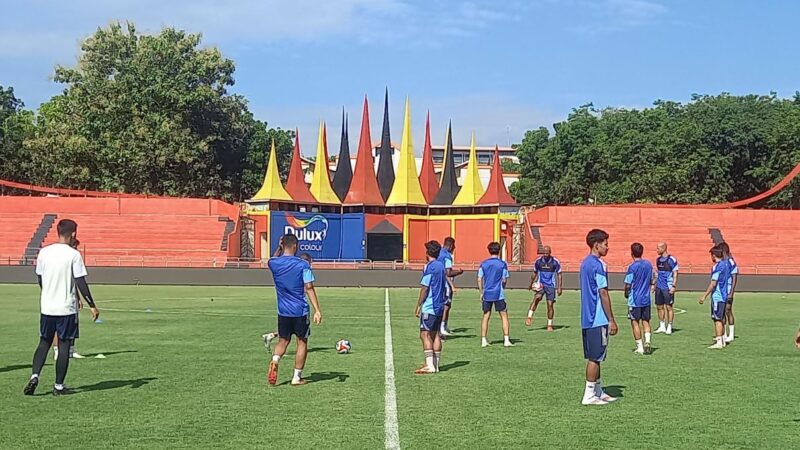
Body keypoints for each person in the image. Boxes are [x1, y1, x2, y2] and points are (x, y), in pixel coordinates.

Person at [24, 219, 99, 396]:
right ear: (73, 234)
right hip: (66, 308)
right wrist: (92, 305)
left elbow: (40, 278)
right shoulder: (73, 255)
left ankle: (34, 376)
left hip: (47, 307)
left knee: (44, 342)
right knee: (64, 345)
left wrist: (48, 293)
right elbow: (80, 281)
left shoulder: (44, 252)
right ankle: (58, 386)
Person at [266, 235, 322, 386]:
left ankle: (275, 359)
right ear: (296, 246)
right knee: (302, 342)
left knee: (283, 340)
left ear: (282, 245)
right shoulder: (303, 265)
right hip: (300, 311)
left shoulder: (273, 263)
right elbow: (309, 287)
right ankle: (296, 378)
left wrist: (279, 247)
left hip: (283, 311)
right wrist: (317, 310)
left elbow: (274, 257)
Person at [579, 229, 618, 406]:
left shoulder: (585, 263)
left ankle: (598, 391)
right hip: (597, 317)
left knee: (597, 356)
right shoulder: (598, 265)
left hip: (587, 317)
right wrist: (611, 319)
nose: (607, 247)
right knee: (595, 357)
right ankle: (589, 395)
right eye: (605, 244)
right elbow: (603, 292)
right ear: (596, 245)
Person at [262, 252, 313, 352]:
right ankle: (298, 356)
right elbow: (308, 288)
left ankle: (273, 342)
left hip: (285, 308)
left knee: (287, 333)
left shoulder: (294, 268)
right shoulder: (302, 268)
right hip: (298, 307)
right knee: (300, 337)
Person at [415, 240, 447, 374]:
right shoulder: (441, 266)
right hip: (440, 305)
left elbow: (425, 287)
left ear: (427, 252)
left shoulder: (430, 267)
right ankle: (436, 364)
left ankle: (430, 365)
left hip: (430, 305)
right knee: (435, 334)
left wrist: (419, 304)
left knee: (424, 334)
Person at [53, 238, 86, 360]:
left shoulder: (73, 260)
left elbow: (74, 282)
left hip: (71, 297)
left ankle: (71, 351)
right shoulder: (61, 261)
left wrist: (78, 298)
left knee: (73, 324)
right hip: (59, 297)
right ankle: (57, 350)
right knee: (57, 326)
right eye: (74, 246)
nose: (76, 249)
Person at [478, 242, 513, 348]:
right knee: (504, 316)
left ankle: (483, 340)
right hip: (499, 294)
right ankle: (506, 340)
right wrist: (503, 286)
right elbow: (504, 279)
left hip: (487, 293)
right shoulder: (502, 264)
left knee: (486, 316)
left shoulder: (483, 264)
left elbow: (479, 279)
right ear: (499, 250)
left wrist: (481, 292)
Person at [698, 246, 731, 350]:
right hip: (724, 295)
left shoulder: (718, 267)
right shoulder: (726, 264)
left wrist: (704, 296)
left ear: (713, 255)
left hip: (718, 296)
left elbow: (713, 283)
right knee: (721, 318)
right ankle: (722, 340)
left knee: (717, 319)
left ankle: (719, 341)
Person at [624, 243, 654, 355]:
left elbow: (628, 283)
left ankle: (640, 347)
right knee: (646, 321)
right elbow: (652, 279)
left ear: (632, 253)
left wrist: (626, 293)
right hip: (646, 298)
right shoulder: (648, 265)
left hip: (635, 299)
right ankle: (648, 342)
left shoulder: (632, 267)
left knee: (635, 322)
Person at [526, 246, 563, 331]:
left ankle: (549, 325)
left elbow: (559, 274)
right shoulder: (538, 261)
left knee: (550, 305)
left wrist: (559, 287)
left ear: (550, 252)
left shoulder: (555, 262)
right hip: (541, 285)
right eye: (544, 253)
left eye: (547, 253)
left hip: (550, 286)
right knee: (537, 298)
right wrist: (531, 284)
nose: (545, 254)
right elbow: (534, 273)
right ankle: (529, 317)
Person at [438, 237, 464, 336]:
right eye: (454, 245)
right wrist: (458, 272)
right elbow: (448, 272)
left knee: (442, 304)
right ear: (451, 245)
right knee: (446, 305)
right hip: (445, 284)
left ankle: (443, 326)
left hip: (438, 282)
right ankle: (442, 327)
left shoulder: (438, 252)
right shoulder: (447, 256)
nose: (454, 247)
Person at [653, 242, 679, 334]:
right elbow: (658, 273)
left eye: (658, 248)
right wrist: (654, 285)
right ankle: (662, 325)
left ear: (663, 248)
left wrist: (673, 286)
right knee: (659, 306)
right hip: (659, 287)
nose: (657, 250)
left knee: (669, 307)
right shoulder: (658, 260)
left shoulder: (671, 259)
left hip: (668, 287)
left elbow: (675, 273)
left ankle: (669, 326)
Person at [717, 242, 738, 343]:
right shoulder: (721, 262)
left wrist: (731, 292)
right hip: (721, 291)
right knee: (722, 313)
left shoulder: (731, 262)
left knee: (728, 311)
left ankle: (731, 334)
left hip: (728, 290)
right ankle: (724, 333)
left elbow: (734, 277)